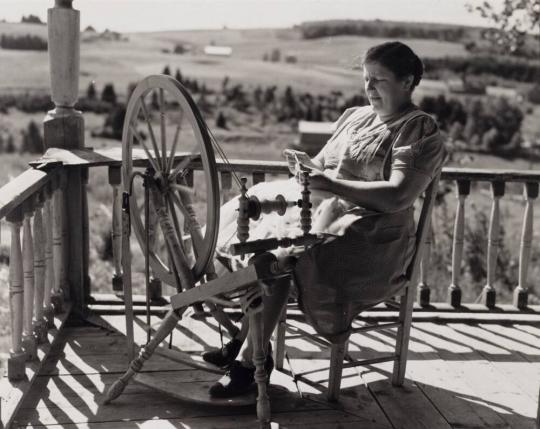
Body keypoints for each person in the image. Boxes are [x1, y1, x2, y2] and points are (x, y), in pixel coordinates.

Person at [205, 41, 446, 398]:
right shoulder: (355, 116)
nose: (369, 88)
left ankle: (247, 361)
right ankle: (250, 344)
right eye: (366, 79)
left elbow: (398, 195)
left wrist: (329, 183)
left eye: (379, 80)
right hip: (322, 216)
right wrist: (309, 168)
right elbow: (326, 166)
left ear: (408, 82)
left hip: (368, 237)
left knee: (281, 257)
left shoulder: (419, 130)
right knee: (257, 235)